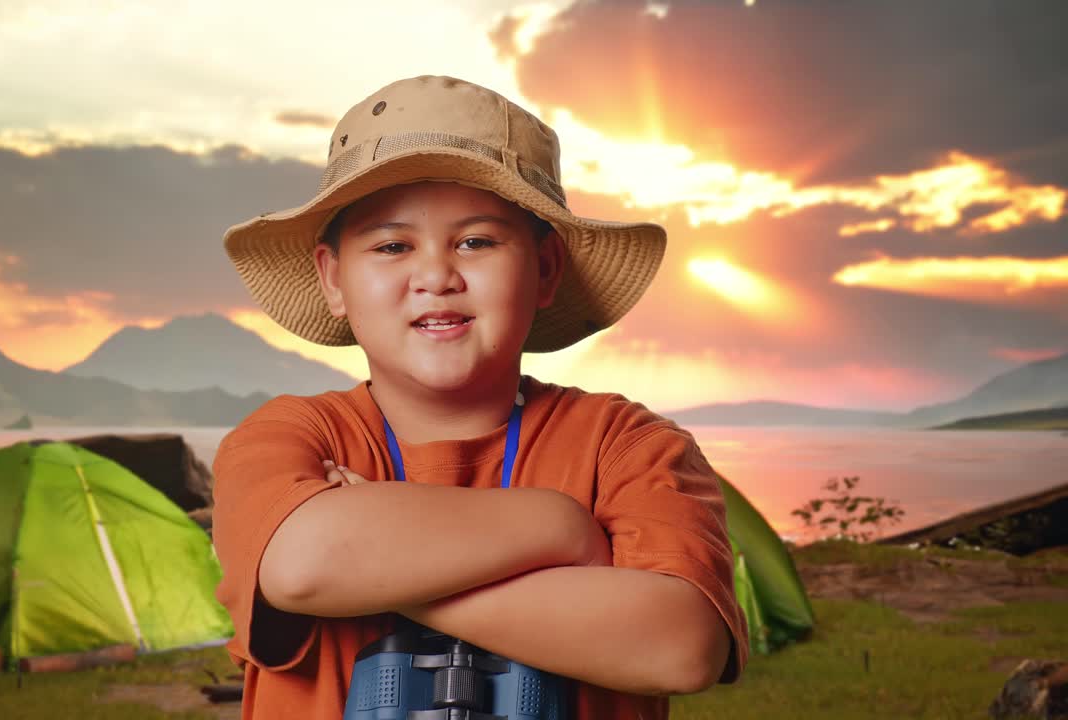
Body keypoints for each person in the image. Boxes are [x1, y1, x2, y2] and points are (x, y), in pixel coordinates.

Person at [211, 75, 750, 719]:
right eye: (391, 246)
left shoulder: (627, 445)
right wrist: (560, 525)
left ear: (545, 269)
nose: (437, 276)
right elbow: (301, 566)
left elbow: (681, 647)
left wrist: (377, 578)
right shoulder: (291, 435)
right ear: (333, 279)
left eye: (477, 241)